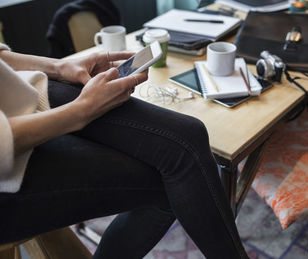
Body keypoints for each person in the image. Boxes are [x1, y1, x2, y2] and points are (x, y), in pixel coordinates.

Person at [0, 42, 249, 258]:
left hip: (21, 95)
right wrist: (80, 112)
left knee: (189, 136)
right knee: (175, 179)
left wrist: (59, 67)